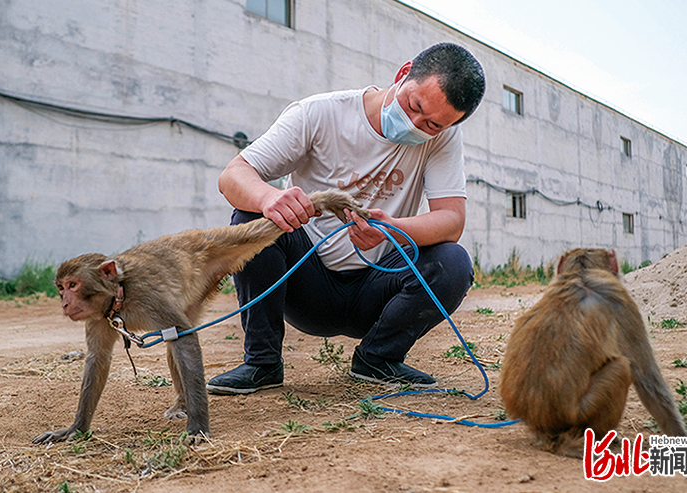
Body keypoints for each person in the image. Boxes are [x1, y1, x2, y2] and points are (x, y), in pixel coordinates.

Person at [207, 42, 485, 395]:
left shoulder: (443, 138)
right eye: (415, 106)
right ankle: (261, 363)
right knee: (251, 214)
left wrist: (393, 232)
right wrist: (271, 198)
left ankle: (377, 358)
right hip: (305, 284)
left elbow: (452, 220)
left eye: (432, 124)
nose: (417, 124)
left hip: (377, 290)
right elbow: (233, 175)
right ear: (403, 73)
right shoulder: (320, 113)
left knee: (453, 261)